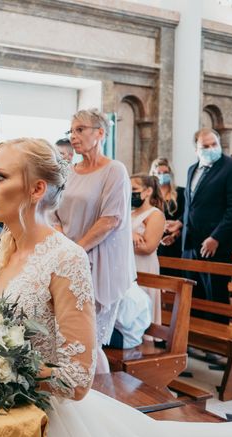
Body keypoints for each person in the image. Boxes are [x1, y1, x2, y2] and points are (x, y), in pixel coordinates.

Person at [0, 137, 232, 437]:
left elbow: (77, 379)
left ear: (36, 189)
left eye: (0, 177)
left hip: (46, 420)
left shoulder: (64, 258)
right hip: (4, 408)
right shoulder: (5, 251)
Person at [53, 109, 135, 372]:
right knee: (64, 338)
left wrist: (76, 250)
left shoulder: (114, 171)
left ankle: (99, 397)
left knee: (88, 342)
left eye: (80, 130)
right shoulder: (69, 171)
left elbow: (111, 219)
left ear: (99, 133)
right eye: (71, 130)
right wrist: (63, 245)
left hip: (97, 262)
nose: (73, 137)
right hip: (67, 260)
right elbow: (53, 212)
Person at [178, 128, 232, 323]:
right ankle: (196, 339)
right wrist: (179, 225)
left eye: (214, 144)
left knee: (215, 296)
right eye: (205, 146)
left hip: (216, 244)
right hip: (191, 243)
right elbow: (191, 206)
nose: (211, 149)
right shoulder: (192, 169)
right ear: (196, 150)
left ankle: (216, 346)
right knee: (193, 294)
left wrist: (216, 237)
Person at [130, 174, 165, 326]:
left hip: (144, 265)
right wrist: (129, 235)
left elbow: (147, 247)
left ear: (148, 191)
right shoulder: (129, 213)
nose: (131, 193)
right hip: (128, 264)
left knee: (142, 305)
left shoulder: (155, 214)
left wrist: (124, 239)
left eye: (134, 189)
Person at [149, 157, 185, 270]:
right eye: (158, 173)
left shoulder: (181, 193)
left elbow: (186, 216)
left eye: (165, 173)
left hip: (176, 242)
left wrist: (174, 235)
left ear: (170, 174)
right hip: (154, 242)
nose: (162, 175)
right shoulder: (149, 196)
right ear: (153, 175)